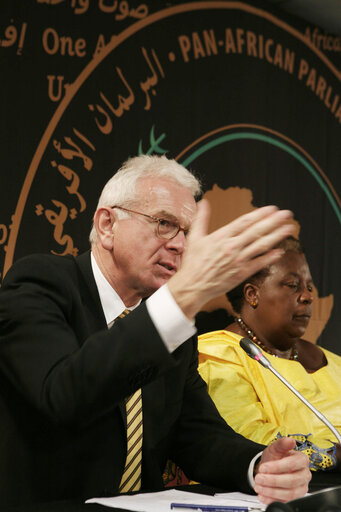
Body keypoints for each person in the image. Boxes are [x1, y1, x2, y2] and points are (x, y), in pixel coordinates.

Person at [0, 155, 310, 507]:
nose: (179, 245)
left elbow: (195, 435)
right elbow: (61, 394)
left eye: (187, 233)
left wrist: (260, 466)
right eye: (164, 223)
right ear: (107, 225)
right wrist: (180, 302)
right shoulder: (40, 284)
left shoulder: (170, 324)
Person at [198, 236, 341, 474]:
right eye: (292, 286)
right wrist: (334, 453)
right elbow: (252, 445)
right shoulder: (218, 356)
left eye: (309, 286)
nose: (307, 296)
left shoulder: (330, 361)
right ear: (252, 294)